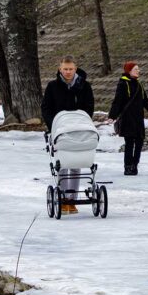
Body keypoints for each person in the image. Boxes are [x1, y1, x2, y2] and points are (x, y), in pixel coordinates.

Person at [41, 55, 95, 214]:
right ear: (60, 69)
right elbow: (46, 107)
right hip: (59, 129)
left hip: (79, 129)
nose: (68, 72)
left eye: (71, 69)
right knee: (63, 165)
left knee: (76, 163)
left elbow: (89, 106)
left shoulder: (84, 86)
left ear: (75, 69)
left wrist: (84, 122)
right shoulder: (52, 87)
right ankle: (63, 197)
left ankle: (72, 199)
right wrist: (53, 125)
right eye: (65, 69)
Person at [108, 62, 148, 176]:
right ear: (129, 71)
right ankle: (128, 167)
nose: (138, 71)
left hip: (138, 119)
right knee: (130, 143)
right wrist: (112, 116)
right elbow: (117, 101)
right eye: (136, 69)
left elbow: (146, 102)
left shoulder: (139, 85)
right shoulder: (123, 84)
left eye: (138, 69)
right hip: (128, 119)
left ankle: (134, 165)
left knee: (139, 142)